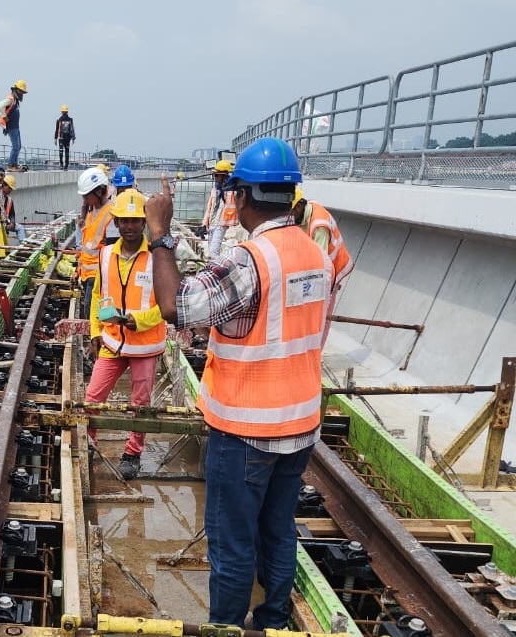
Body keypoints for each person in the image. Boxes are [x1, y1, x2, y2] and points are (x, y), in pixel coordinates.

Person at [144, 137, 333, 631]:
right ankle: (272, 619)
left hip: (246, 428)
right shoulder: (316, 254)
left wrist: (160, 234)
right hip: (299, 425)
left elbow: (175, 307)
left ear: (241, 196)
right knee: (277, 530)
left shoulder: (253, 260)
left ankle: (225, 628)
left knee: (231, 542)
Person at [87, 189, 166, 480]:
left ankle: (132, 453)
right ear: (116, 222)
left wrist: (139, 320)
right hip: (111, 341)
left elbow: (167, 305)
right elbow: (97, 295)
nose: (129, 226)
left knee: (140, 404)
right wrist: (95, 330)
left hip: (144, 345)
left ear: (144, 222)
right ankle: (88, 442)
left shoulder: (158, 257)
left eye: (135, 221)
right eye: (124, 221)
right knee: (93, 397)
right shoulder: (106, 254)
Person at [292, 187, 354, 346]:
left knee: (322, 314)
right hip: (320, 266)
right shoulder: (305, 212)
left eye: (291, 212)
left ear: (299, 206)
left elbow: (320, 265)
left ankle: (316, 352)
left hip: (334, 268)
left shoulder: (319, 225)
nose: (289, 217)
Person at [75, 167, 118, 319]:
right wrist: (78, 268)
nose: (84, 200)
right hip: (88, 273)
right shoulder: (93, 211)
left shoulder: (111, 214)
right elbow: (88, 245)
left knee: (94, 312)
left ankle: (100, 337)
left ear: (99, 192)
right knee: (92, 311)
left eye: (86, 196)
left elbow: (113, 250)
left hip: (99, 274)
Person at [202, 160, 238, 257]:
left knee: (214, 251)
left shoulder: (232, 190)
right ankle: (213, 268)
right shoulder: (214, 190)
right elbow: (209, 208)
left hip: (222, 223)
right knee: (211, 251)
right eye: (214, 175)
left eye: (217, 175)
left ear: (224, 176)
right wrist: (204, 224)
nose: (215, 178)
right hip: (212, 224)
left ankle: (215, 270)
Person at [0, 80, 28, 170]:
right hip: (12, 127)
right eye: (21, 92)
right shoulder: (10, 99)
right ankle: (10, 165)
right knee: (15, 146)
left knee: (18, 146)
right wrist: (4, 116)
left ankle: (14, 164)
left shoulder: (15, 100)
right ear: (16, 90)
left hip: (16, 127)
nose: (22, 94)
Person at [1, 174, 26, 242]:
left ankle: (23, 246)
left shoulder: (9, 200)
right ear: (4, 185)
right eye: (9, 188)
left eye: (11, 189)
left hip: (6, 224)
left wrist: (12, 222)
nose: (10, 190)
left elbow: (12, 214)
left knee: (20, 228)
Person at [54, 105, 76, 170]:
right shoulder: (69, 119)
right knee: (67, 152)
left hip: (61, 138)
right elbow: (72, 129)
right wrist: (73, 138)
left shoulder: (59, 119)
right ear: (67, 111)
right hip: (67, 138)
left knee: (61, 151)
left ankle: (62, 165)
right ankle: (65, 166)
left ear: (62, 112)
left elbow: (57, 129)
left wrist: (55, 138)